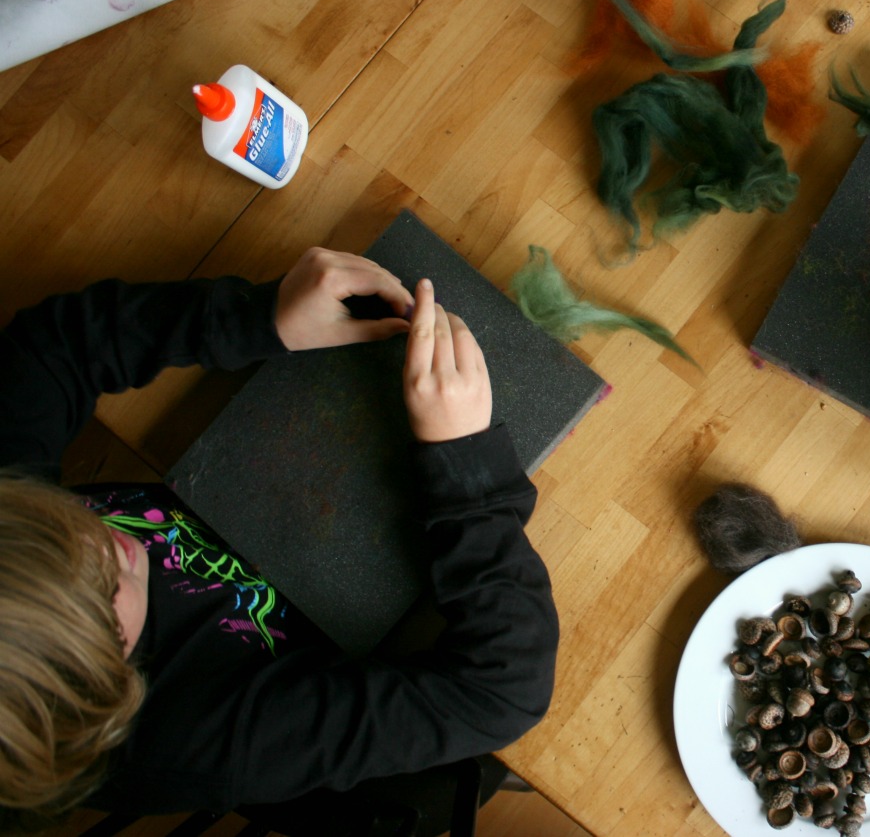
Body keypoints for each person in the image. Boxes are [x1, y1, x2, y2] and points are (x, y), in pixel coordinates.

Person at [0, 247, 559, 829]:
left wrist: (259, 317)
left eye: (57, 523)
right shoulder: (192, 743)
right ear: (108, 690)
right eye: (104, 595)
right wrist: (467, 468)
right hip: (385, 635)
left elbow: (49, 349)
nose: (108, 546)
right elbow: (504, 690)